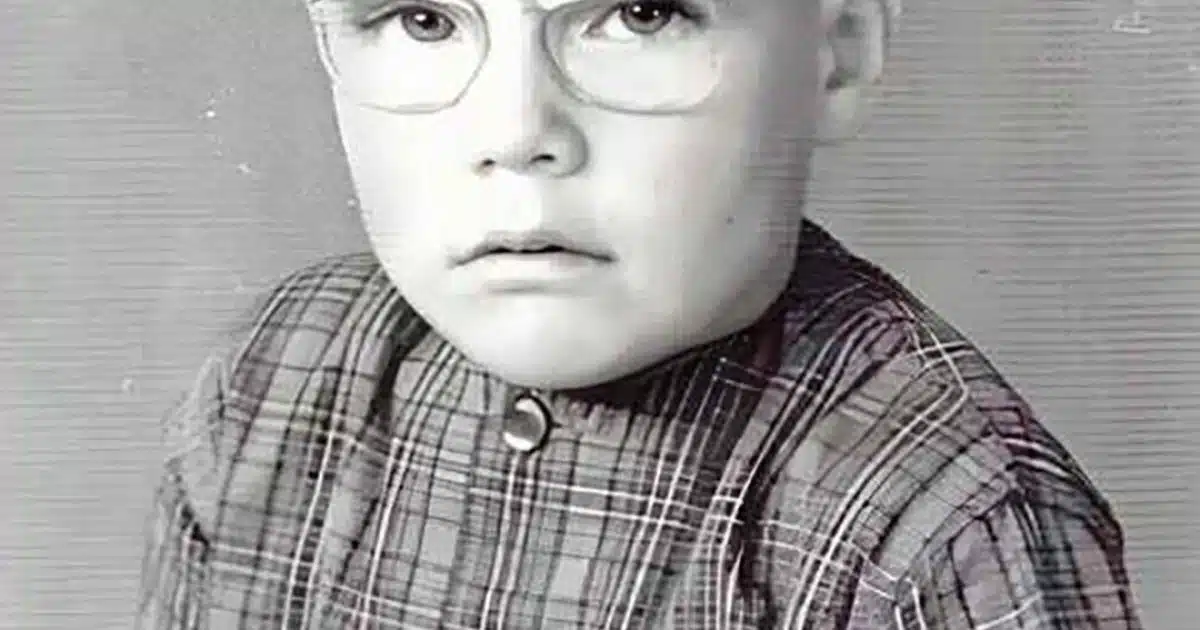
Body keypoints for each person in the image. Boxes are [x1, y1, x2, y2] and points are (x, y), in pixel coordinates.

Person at [136, 0, 1145, 627]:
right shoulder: (270, 385)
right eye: (424, 19)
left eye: (641, 14)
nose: (517, 131)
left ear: (835, 53)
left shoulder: (939, 520)